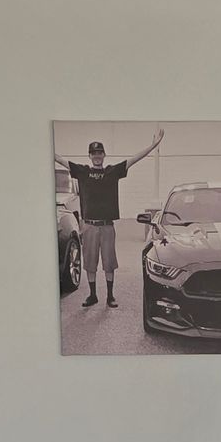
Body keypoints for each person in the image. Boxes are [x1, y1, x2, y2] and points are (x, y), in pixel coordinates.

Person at [53, 128, 164, 308]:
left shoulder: (112, 172)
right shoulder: (82, 172)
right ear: (89, 156)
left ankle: (110, 296)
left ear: (104, 155)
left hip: (107, 226)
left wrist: (153, 146)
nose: (97, 156)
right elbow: (60, 160)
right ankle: (93, 295)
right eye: (94, 153)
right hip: (89, 226)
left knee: (109, 262)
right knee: (90, 262)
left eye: (99, 153)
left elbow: (134, 160)